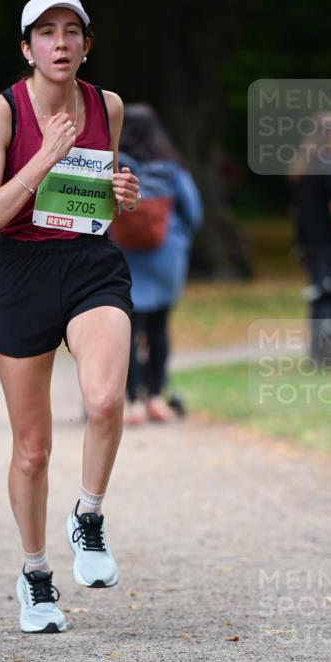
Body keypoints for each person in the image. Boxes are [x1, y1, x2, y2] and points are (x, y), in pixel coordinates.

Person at [0, 0, 140, 634]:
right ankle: (35, 575)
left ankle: (88, 517)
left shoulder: (107, 106)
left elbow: (101, 190)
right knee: (33, 449)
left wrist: (124, 192)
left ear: (87, 44)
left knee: (102, 399)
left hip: (90, 262)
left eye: (72, 32)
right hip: (21, 272)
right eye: (46, 33)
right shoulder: (1, 112)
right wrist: (43, 157)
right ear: (27, 48)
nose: (61, 43)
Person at [112, 104, 203, 424]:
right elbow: (193, 212)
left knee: (128, 330)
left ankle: (131, 402)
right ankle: (154, 397)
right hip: (165, 257)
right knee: (159, 328)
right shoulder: (171, 167)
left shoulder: (115, 166)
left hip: (123, 258)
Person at [288, 114, 331, 359]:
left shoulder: (305, 165)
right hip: (330, 241)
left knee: (318, 293)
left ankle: (319, 350)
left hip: (309, 240)